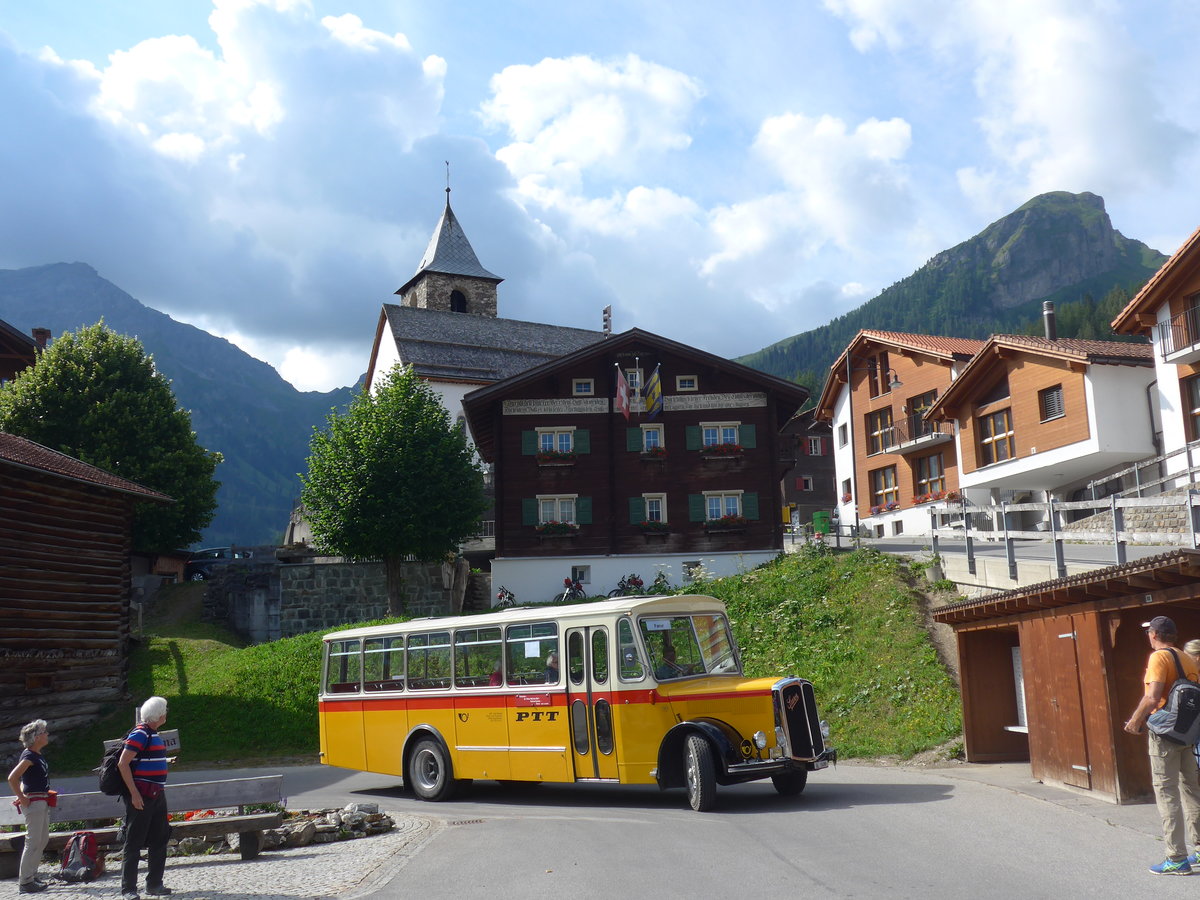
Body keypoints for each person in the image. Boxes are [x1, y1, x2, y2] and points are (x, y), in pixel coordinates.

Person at [1124, 616, 1200, 875]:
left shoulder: (1159, 657)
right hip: (1186, 734)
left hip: (1165, 734)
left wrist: (1135, 721)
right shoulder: (1187, 658)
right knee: (1191, 790)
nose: (1148, 636)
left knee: (1167, 793)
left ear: (1154, 634)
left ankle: (1176, 858)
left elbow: (1152, 696)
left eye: (1149, 632)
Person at [117, 696, 172, 900]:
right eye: (165, 710)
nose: (166, 713)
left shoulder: (151, 733)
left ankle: (154, 884)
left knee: (160, 838)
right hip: (142, 796)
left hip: (156, 793)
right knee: (134, 841)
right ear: (159, 714)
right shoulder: (140, 733)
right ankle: (128, 889)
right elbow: (123, 763)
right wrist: (134, 794)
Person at [6, 720, 52, 894]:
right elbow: (12, 778)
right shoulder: (29, 756)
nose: (47, 734)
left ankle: (31, 875)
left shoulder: (36, 755)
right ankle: (25, 882)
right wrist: (22, 798)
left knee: (42, 840)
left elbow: (25, 780)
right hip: (34, 803)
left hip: (42, 801)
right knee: (33, 841)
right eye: (44, 732)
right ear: (36, 737)